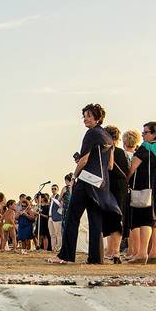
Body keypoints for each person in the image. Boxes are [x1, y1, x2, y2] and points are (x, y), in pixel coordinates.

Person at [49, 104, 121, 265]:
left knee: (72, 217)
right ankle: (96, 258)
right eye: (84, 116)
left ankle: (66, 256)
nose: (85, 119)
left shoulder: (91, 133)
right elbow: (110, 165)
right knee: (95, 220)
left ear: (97, 117)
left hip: (86, 180)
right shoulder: (108, 137)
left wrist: (74, 177)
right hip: (100, 184)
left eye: (89, 116)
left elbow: (84, 159)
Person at [125, 121, 156, 265]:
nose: (143, 135)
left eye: (145, 132)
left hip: (144, 188)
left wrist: (125, 180)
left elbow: (132, 168)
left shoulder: (145, 148)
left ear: (154, 134)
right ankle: (154, 253)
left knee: (144, 219)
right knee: (155, 220)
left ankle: (142, 253)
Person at [104, 125, 129, 262]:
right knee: (118, 218)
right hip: (121, 186)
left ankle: (110, 251)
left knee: (110, 218)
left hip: (109, 186)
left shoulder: (105, 151)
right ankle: (116, 251)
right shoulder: (120, 152)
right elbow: (126, 170)